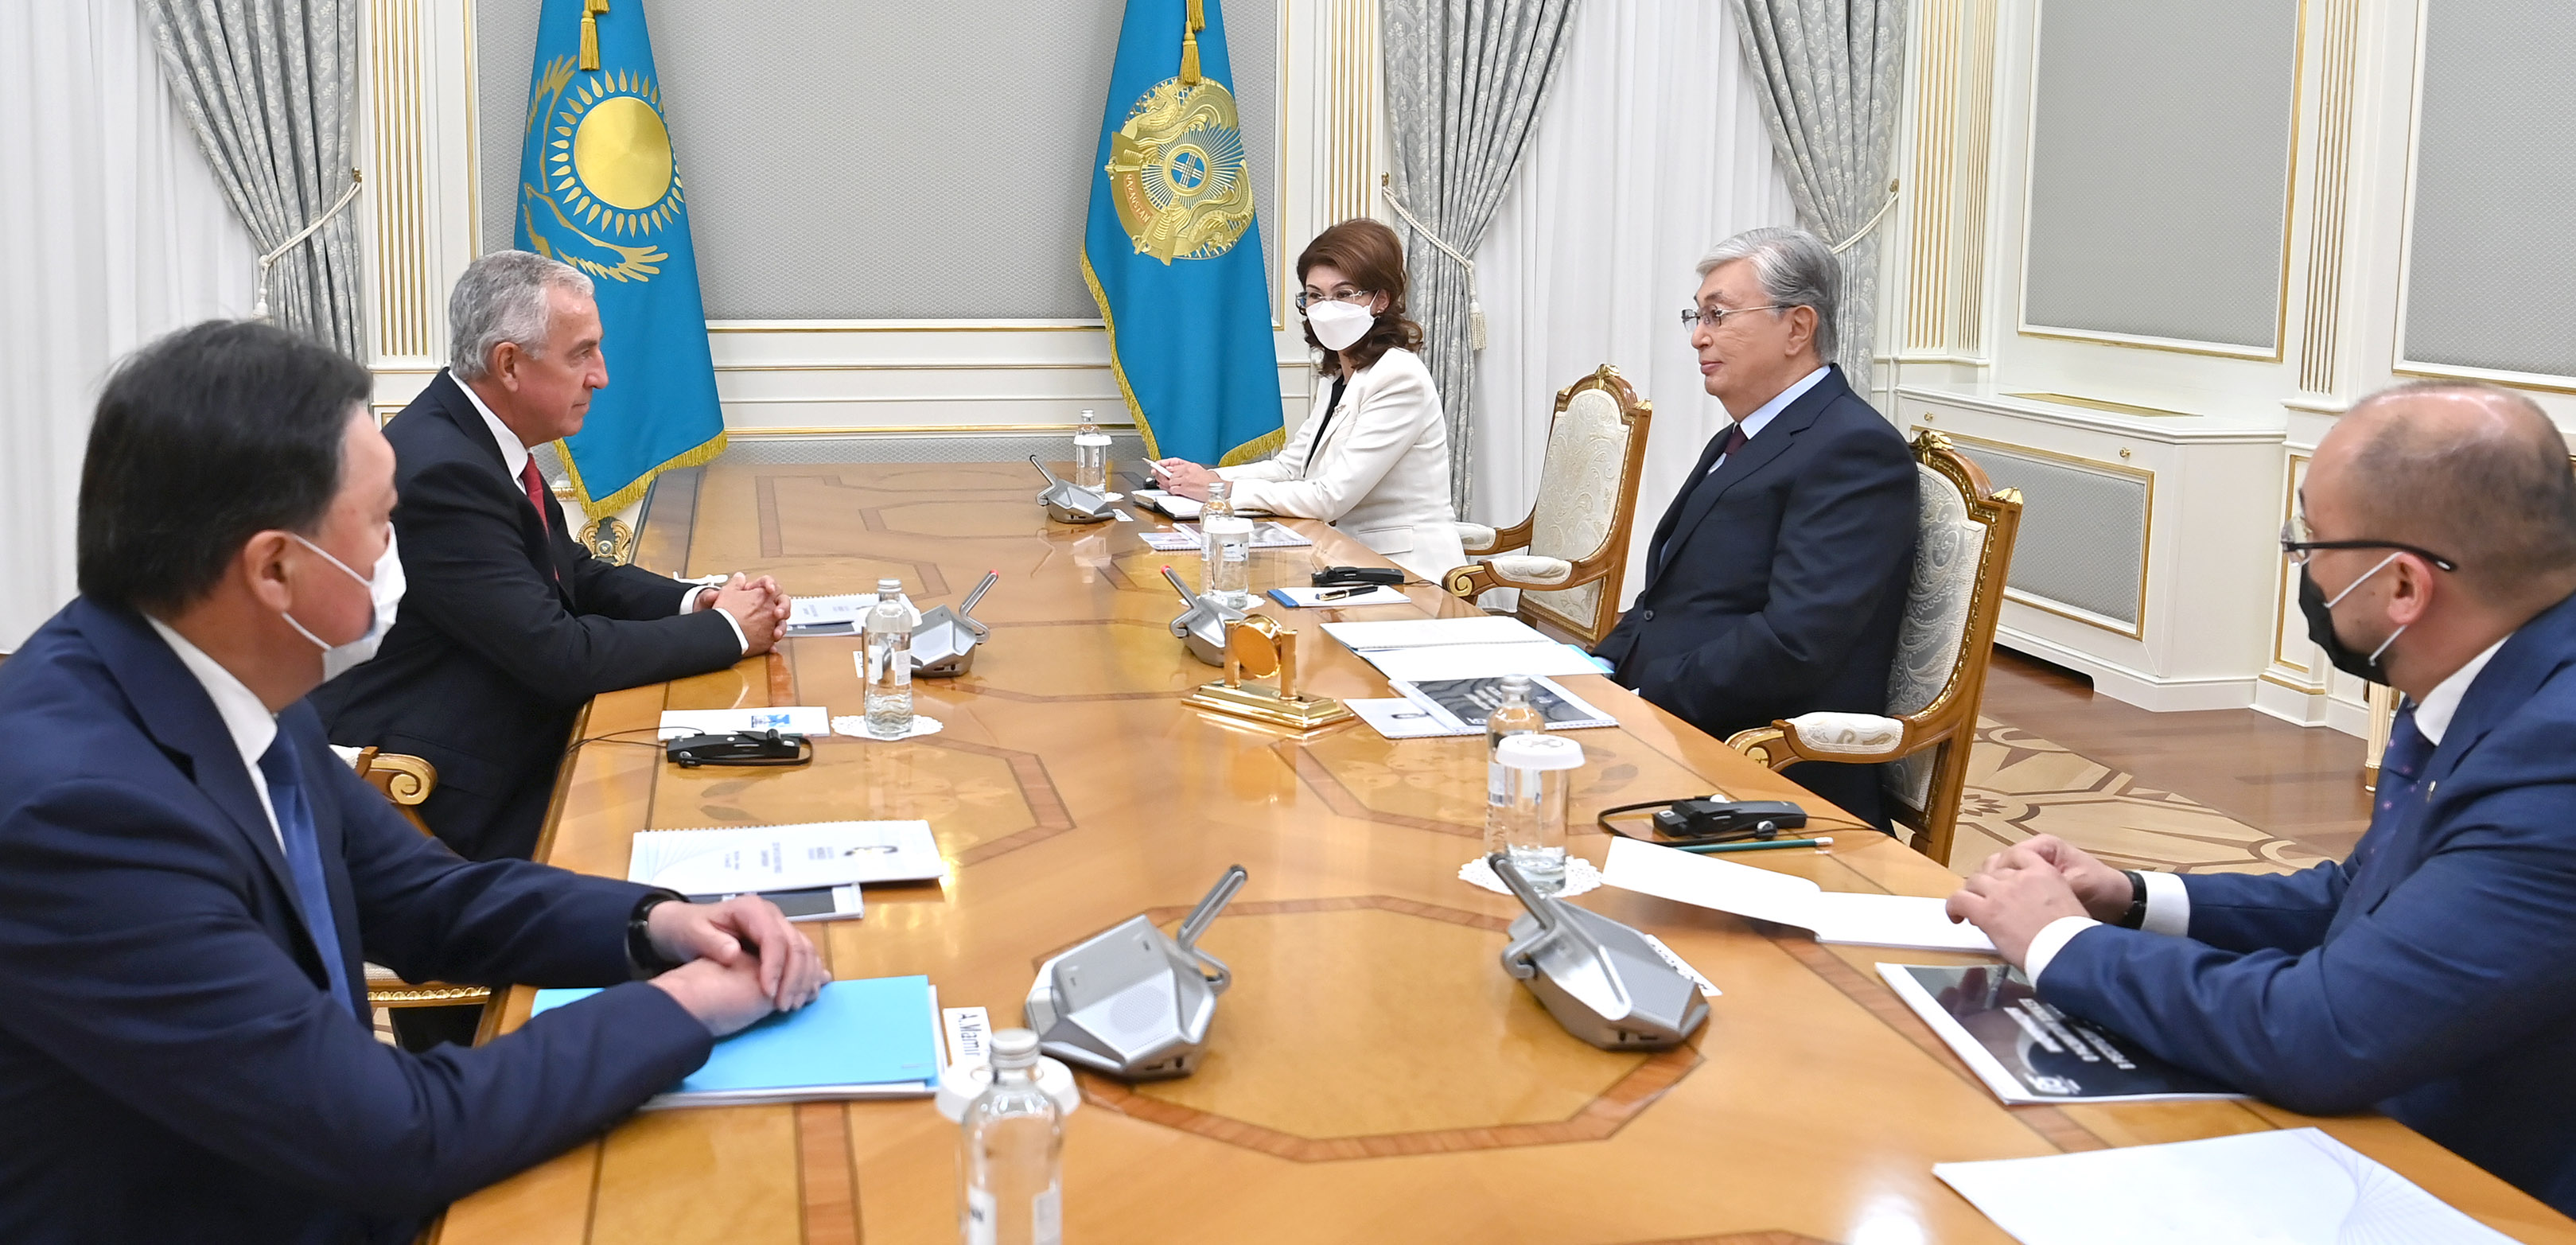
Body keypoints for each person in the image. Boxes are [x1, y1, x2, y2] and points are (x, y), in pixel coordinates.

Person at [0, 320, 831, 1244]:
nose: (395, 553)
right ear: (274, 567)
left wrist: (662, 925)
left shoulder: (223, 673)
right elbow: (396, 1130)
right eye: (379, 522)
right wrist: (684, 1006)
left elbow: (430, 896)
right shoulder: (81, 814)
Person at [1946, 381, 2576, 1216]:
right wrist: (2130, 897)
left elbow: (2323, 1032)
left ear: (2402, 587)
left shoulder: (2554, 756)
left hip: (2493, 1192)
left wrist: (2058, 941)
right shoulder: (2488, 672)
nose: (2303, 567)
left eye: (2309, 540)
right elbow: (2361, 899)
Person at [311, 251, 789, 866]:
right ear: (509, 363)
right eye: (581, 354)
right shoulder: (444, 472)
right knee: (699, 825)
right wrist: (728, 631)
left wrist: (699, 601)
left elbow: (573, 574)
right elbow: (559, 655)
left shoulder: (472, 435)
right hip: (450, 792)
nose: (601, 376)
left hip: (511, 742)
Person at [1591, 227, 1918, 829]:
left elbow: (1795, 641)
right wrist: (1598, 667)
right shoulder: (1742, 435)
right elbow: (1669, 600)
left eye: (1718, 315)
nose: (1699, 336)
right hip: (1682, 723)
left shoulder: (1854, 449)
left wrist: (1646, 695)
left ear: (1797, 327)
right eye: (1696, 316)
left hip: (1763, 767)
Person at [1149, 218, 1466, 584]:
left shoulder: (1399, 377)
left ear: (1381, 300)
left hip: (1407, 574)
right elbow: (1290, 468)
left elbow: (1331, 497)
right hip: (1344, 560)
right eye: (1315, 295)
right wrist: (1206, 477)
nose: (1326, 307)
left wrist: (1220, 492)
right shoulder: (1338, 376)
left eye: (1344, 294)